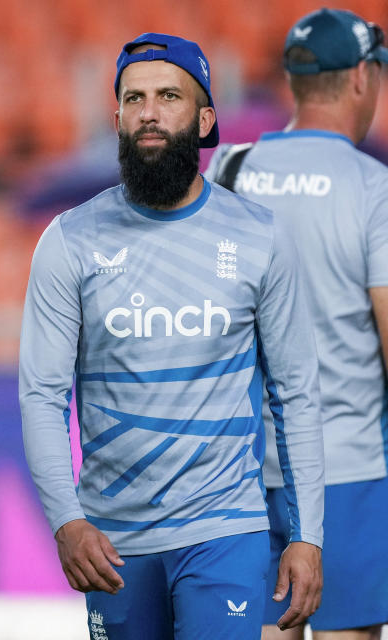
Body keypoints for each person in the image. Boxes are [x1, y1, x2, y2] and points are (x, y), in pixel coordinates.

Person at [19, 33, 326, 639]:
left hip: (226, 531)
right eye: (134, 99)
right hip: (112, 541)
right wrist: (66, 522)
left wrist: (308, 534)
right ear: (117, 118)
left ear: (205, 117)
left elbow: (296, 394)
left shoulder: (260, 235)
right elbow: (40, 396)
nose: (150, 112)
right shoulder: (68, 240)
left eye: (168, 96)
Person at [205, 9, 388, 640]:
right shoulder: (374, 189)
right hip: (349, 469)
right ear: (363, 77)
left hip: (243, 476)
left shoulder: (227, 174)